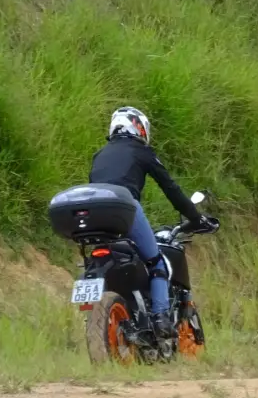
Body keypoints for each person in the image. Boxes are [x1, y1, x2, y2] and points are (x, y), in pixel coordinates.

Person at [88, 106, 218, 339]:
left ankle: (128, 311)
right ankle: (161, 320)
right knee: (156, 262)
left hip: (95, 215)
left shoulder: (100, 154)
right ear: (138, 127)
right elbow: (171, 189)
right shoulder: (141, 152)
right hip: (124, 209)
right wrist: (196, 218)